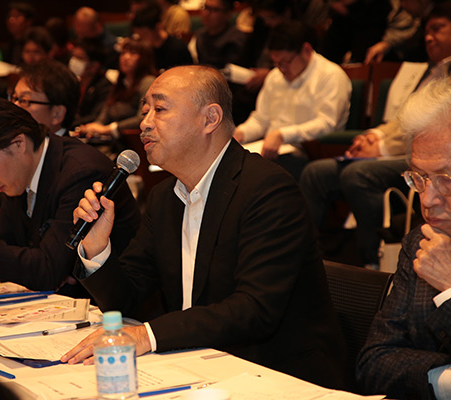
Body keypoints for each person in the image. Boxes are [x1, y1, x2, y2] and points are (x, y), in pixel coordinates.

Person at [61, 65, 347, 390]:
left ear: (210, 118)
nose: (144, 123)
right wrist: (97, 248)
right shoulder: (165, 197)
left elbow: (254, 309)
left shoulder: (267, 189)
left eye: (160, 109)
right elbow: (126, 299)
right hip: (195, 367)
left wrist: (148, 335)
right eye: (144, 111)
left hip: (277, 375)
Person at [0, 97, 140, 293]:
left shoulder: (80, 172)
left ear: (18, 144)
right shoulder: (19, 172)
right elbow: (7, 248)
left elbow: (47, 271)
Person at [300, 2, 451, 268]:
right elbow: (405, 119)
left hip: (418, 158)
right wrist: (372, 135)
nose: (429, 37)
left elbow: (430, 135)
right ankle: (312, 261)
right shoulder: (428, 71)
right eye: (426, 31)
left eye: (437, 29)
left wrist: (380, 146)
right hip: (399, 150)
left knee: (358, 175)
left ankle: (372, 260)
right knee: (315, 173)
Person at [356, 78, 451, 399]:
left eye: (445, 180)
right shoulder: (418, 243)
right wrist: (443, 381)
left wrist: (450, 289)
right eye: (420, 177)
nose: (427, 200)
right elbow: (374, 363)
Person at [234, 20, 351, 181]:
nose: (281, 69)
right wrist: (240, 133)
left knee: (256, 172)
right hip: (272, 151)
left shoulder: (331, 75)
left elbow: (327, 124)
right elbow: (261, 119)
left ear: (306, 50)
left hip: (309, 154)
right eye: (276, 63)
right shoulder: (275, 76)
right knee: (233, 162)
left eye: (285, 62)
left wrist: (282, 135)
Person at [75, 38, 155, 142]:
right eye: (123, 53)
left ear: (144, 58)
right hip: (111, 140)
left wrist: (109, 129)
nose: (126, 58)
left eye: (132, 53)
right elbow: (104, 116)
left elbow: (143, 118)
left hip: (132, 141)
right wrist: (92, 128)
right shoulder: (120, 83)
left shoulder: (147, 82)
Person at [9, 59, 79, 137]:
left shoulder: (65, 145)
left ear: (57, 114)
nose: (15, 106)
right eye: (15, 98)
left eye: (24, 101)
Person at [131, 2, 193, 72]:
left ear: (158, 27)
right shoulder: (147, 50)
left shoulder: (177, 49)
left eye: (144, 34)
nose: (142, 39)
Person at [69, 39, 113, 128]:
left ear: (94, 66)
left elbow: (95, 116)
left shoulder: (105, 87)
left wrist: (68, 124)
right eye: (73, 56)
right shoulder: (72, 82)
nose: (74, 61)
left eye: (80, 58)